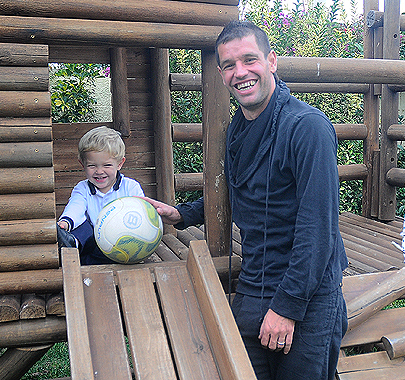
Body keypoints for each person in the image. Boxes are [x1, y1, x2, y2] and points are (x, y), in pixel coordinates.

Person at [143, 21, 348, 380]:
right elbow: (239, 191)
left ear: (271, 61)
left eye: (249, 60)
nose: (240, 72)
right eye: (229, 65)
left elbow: (319, 229)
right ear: (221, 74)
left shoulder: (307, 127)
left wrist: (287, 308)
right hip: (255, 283)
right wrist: (182, 214)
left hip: (308, 292)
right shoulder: (237, 129)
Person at [57, 125, 144, 265]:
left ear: (120, 163)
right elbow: (75, 207)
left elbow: (142, 212)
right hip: (92, 248)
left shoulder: (130, 187)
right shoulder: (83, 188)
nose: (99, 171)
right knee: (83, 225)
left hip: (122, 244)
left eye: (107, 165)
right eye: (92, 166)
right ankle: (72, 243)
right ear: (82, 164)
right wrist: (65, 222)